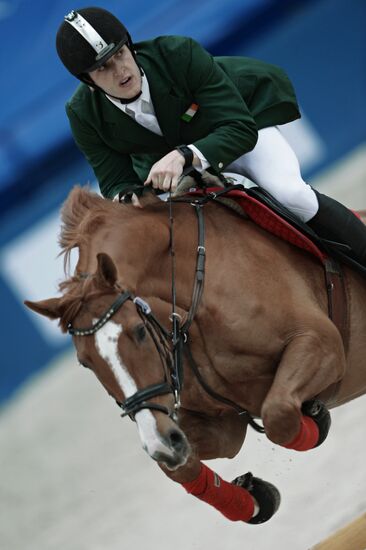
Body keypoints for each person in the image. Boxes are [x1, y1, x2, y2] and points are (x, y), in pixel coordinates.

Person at [56, 6, 366, 270]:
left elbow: (239, 127)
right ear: (89, 82)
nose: (120, 70)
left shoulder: (178, 53)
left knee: (290, 195)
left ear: (130, 45)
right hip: (175, 169)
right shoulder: (82, 113)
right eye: (103, 68)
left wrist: (185, 155)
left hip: (241, 126)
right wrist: (130, 198)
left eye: (120, 54)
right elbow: (114, 181)